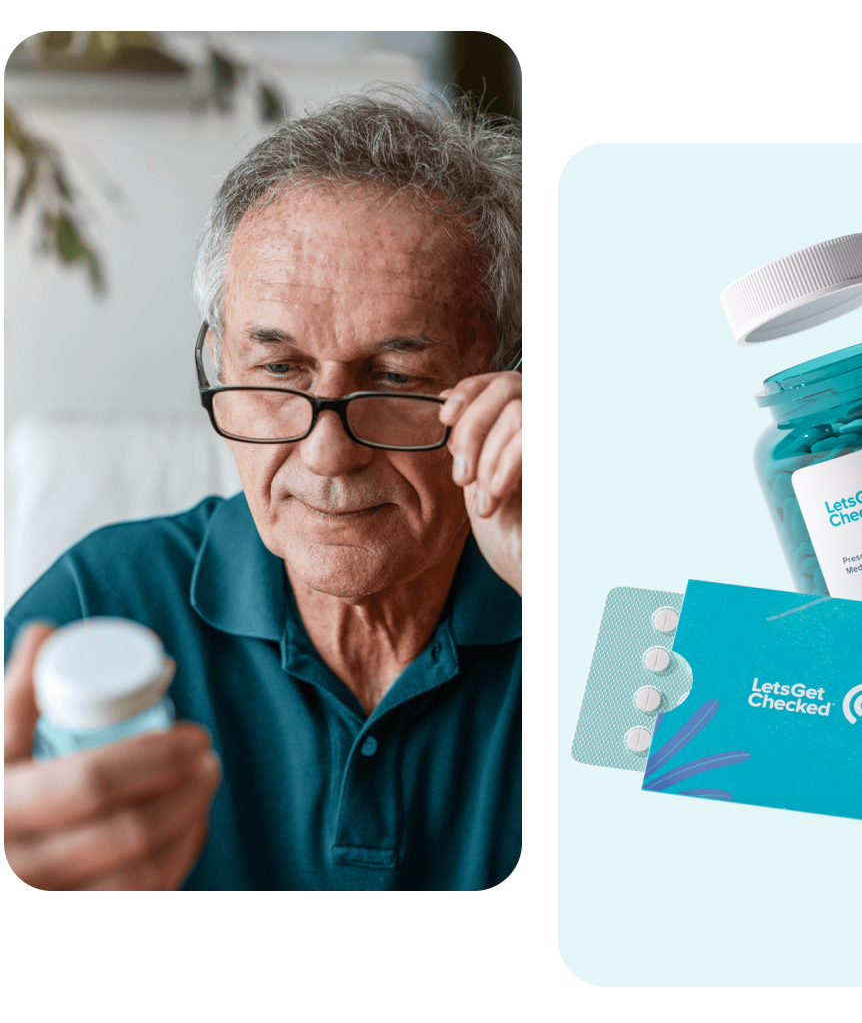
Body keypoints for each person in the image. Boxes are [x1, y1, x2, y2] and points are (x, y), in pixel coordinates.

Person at [4, 84, 521, 890]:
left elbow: (789, 764)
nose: (325, 455)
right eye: (278, 369)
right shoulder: (100, 603)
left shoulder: (584, 589)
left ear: (507, 383)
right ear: (219, 362)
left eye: (395, 377)